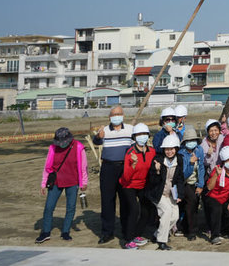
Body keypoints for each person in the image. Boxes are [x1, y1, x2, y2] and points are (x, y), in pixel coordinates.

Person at [37, 128, 88, 244]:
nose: (61, 145)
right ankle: (46, 232)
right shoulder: (53, 148)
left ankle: (65, 231)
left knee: (70, 207)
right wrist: (43, 183)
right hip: (56, 181)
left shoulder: (79, 147)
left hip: (72, 181)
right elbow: (47, 166)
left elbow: (83, 166)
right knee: (49, 207)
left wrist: (84, 182)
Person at [93, 105, 132, 244]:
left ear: (123, 115)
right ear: (109, 117)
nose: (117, 116)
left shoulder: (130, 129)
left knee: (125, 200)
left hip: (125, 168)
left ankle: (126, 231)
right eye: (114, 114)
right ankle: (107, 232)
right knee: (107, 200)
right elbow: (96, 141)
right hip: (108, 167)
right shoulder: (104, 130)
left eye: (119, 114)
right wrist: (98, 136)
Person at [119, 123, 156, 249]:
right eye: (139, 134)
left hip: (143, 184)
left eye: (144, 134)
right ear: (134, 137)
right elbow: (126, 177)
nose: (142, 137)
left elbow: (151, 169)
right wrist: (133, 164)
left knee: (146, 210)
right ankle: (128, 240)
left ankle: (137, 234)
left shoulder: (152, 151)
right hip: (128, 185)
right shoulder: (130, 153)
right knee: (134, 210)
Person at [146, 134, 184, 250]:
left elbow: (180, 179)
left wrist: (180, 195)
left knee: (175, 216)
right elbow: (151, 181)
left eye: (172, 149)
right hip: (158, 193)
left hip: (171, 193)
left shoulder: (180, 159)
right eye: (167, 149)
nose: (169, 152)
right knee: (166, 212)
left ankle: (156, 234)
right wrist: (157, 171)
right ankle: (162, 241)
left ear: (176, 149)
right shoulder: (158, 160)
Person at [204, 146, 229, 245]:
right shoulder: (217, 170)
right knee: (216, 209)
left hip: (227, 197)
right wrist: (216, 175)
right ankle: (215, 235)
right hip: (213, 197)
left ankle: (224, 229)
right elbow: (209, 187)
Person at [177, 126, 204, 241]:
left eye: (193, 140)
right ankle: (191, 231)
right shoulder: (181, 154)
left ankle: (186, 227)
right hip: (185, 183)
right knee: (190, 205)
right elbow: (184, 174)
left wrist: (200, 185)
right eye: (188, 141)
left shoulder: (199, 150)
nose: (191, 143)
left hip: (196, 182)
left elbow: (201, 167)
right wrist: (191, 164)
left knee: (193, 206)